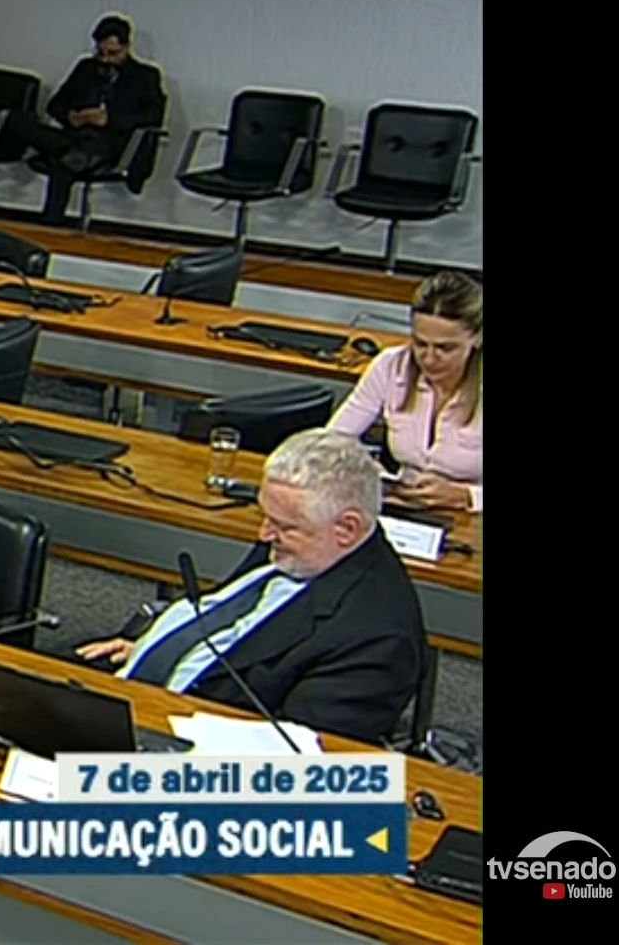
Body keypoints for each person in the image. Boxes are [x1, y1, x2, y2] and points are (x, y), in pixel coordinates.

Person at [75, 429, 426, 745]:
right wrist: (162, 645)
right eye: (265, 517)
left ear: (347, 529)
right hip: (134, 677)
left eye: (283, 526)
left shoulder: (379, 639)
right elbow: (233, 616)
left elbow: (293, 753)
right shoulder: (302, 541)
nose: (264, 534)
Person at [327, 271, 482, 512]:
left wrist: (466, 496)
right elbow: (332, 440)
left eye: (445, 348)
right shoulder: (390, 366)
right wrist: (364, 469)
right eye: (420, 344)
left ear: (477, 339)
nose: (429, 358)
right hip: (402, 505)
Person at [4, 15, 168, 224]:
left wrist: (109, 119)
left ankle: (51, 218)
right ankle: (68, 153)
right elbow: (55, 104)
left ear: (126, 48)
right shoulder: (86, 68)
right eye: (101, 53)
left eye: (113, 54)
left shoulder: (146, 76)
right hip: (75, 135)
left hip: (110, 142)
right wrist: (71, 116)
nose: (105, 59)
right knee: (18, 120)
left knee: (63, 163)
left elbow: (154, 116)